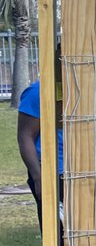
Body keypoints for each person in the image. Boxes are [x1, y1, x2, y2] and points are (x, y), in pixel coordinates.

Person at [16, 79, 64, 224]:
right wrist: (39, 178)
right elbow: (25, 136)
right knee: (58, 239)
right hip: (53, 173)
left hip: (87, 172)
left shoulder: (92, 91)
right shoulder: (38, 92)